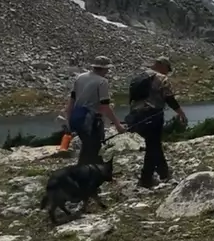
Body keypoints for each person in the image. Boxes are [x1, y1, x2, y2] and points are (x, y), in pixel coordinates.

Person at [127, 56, 187, 188]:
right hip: (152, 114)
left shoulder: (140, 76)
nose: (167, 72)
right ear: (161, 65)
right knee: (152, 146)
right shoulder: (161, 78)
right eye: (167, 68)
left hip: (137, 115)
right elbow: (169, 98)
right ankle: (146, 179)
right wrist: (181, 113)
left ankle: (163, 173)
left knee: (153, 143)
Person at [66, 56, 125, 165]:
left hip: (78, 118)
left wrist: (68, 119)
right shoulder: (102, 82)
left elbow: (72, 100)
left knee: (86, 146)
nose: (108, 71)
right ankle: (91, 173)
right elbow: (105, 106)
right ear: (104, 68)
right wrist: (118, 125)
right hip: (93, 120)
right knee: (95, 148)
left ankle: (83, 169)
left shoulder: (80, 77)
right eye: (107, 69)